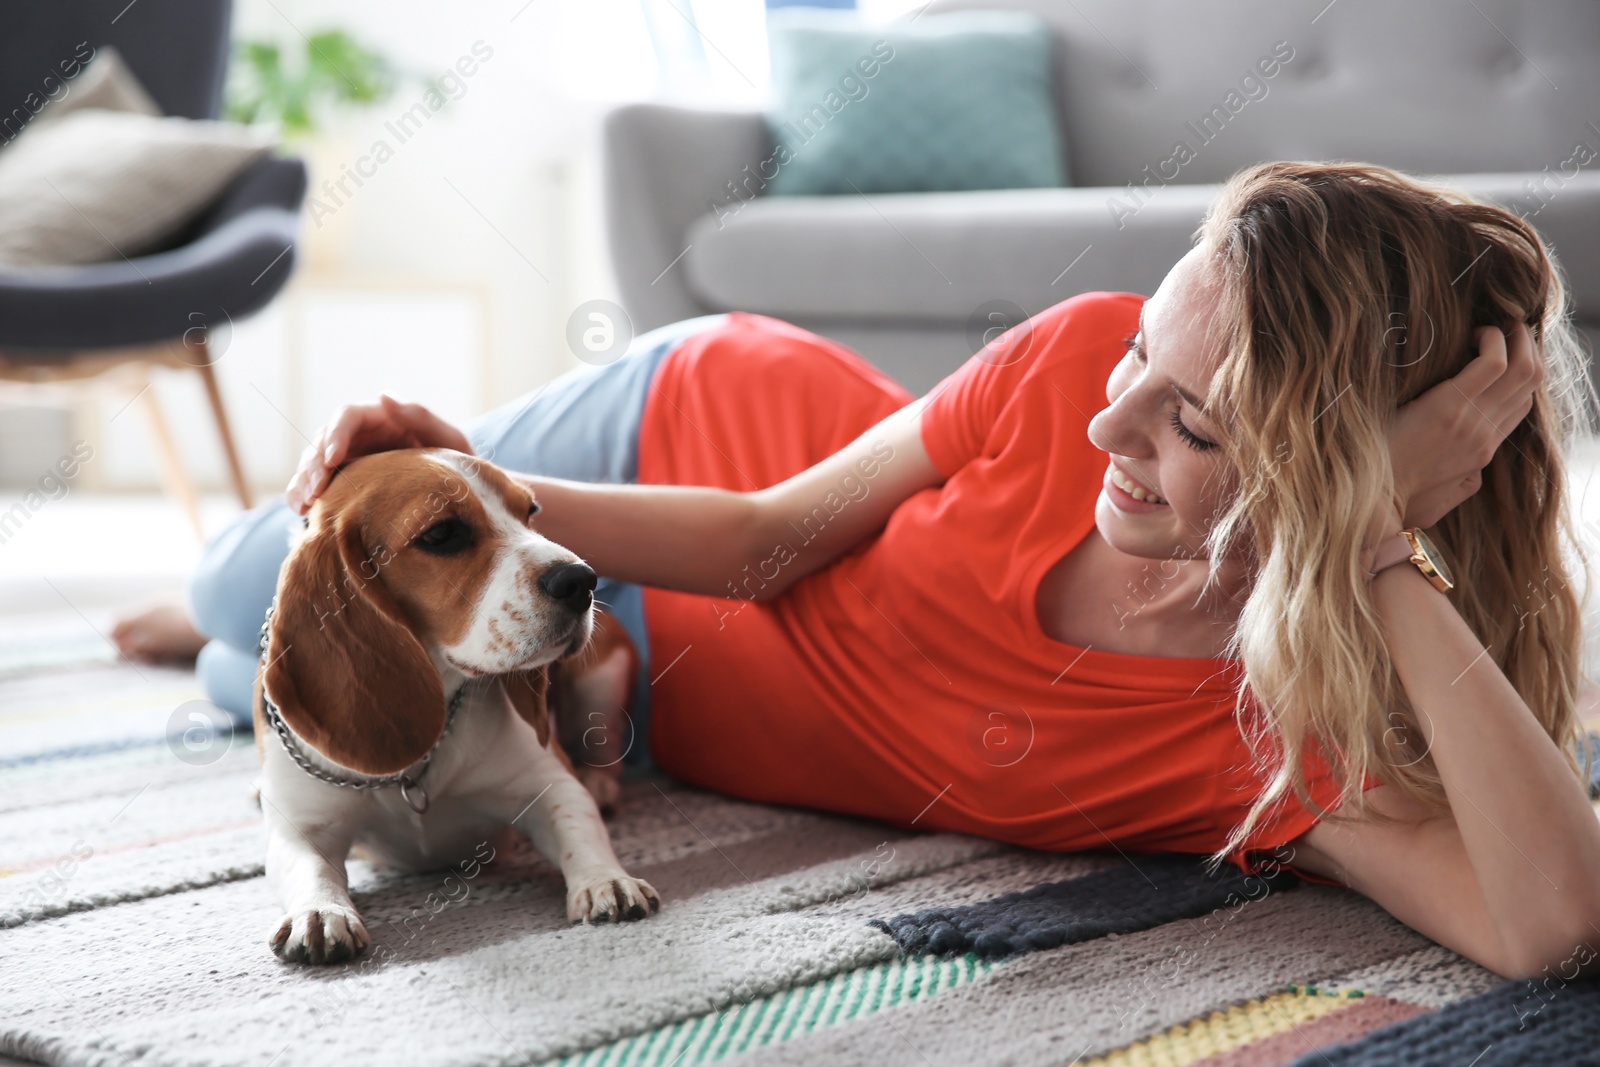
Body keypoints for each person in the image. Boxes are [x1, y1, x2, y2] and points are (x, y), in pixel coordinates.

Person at [115, 161, 1600, 980]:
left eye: (1188, 421)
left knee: (272, 695)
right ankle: (213, 609)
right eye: (1144, 343)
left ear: (1334, 483)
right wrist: (483, 498)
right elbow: (765, 540)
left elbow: (1553, 925)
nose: (1107, 413)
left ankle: (216, 661)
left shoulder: (1296, 743)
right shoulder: (1067, 365)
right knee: (268, 596)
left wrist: (1382, 554)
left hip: (631, 687)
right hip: (680, 447)